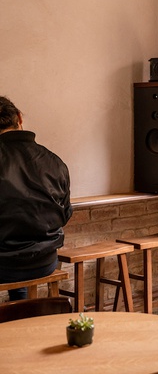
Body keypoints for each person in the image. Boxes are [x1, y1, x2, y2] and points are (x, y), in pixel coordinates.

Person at [0, 96, 72, 301]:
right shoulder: (54, 161)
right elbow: (65, 214)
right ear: (19, 118)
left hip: (4, 266)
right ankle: (21, 306)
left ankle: (18, 309)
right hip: (44, 261)